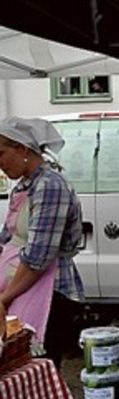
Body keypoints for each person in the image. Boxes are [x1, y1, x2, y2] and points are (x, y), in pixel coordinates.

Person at [0, 117, 84, 368]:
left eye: (1, 154)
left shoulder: (50, 187)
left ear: (22, 149)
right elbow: (7, 236)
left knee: (36, 367)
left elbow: (38, 257)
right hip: (18, 285)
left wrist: (4, 298)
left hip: (47, 291)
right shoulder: (25, 186)